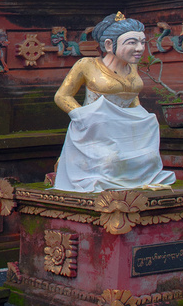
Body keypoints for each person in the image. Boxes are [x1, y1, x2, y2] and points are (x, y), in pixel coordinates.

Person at [52, 11, 176, 193]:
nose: (140, 48)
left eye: (142, 42)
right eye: (132, 43)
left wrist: (142, 117)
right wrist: (83, 117)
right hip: (94, 131)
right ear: (109, 45)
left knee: (149, 158)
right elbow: (62, 96)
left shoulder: (131, 66)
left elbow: (132, 96)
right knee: (110, 161)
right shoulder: (87, 64)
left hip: (127, 131)